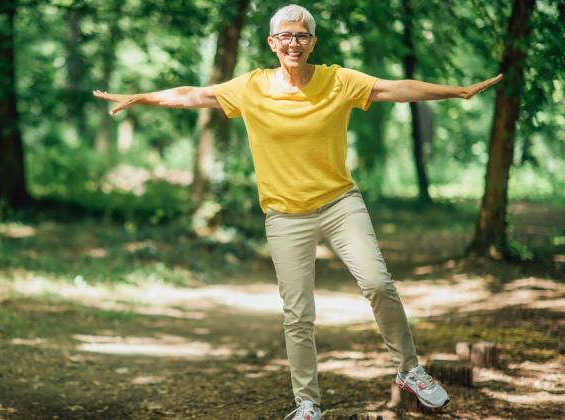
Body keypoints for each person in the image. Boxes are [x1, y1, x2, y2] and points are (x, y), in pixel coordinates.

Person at [93, 4, 501, 419]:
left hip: (340, 203)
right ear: (272, 43)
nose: (294, 43)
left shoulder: (338, 80)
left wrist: (458, 91)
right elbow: (193, 95)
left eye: (302, 36)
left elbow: (395, 88)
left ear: (313, 42)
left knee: (379, 284)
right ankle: (308, 404)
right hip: (286, 215)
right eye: (285, 36)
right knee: (298, 314)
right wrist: (141, 97)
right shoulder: (250, 87)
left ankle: (410, 369)